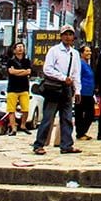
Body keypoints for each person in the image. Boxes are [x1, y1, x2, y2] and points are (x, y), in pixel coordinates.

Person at [33, 25, 82, 155]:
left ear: (73, 37)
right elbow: (47, 69)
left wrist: (77, 90)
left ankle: (66, 145)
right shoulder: (54, 51)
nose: (68, 37)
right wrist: (62, 77)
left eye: (70, 34)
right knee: (48, 117)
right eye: (65, 34)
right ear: (61, 36)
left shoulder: (74, 53)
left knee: (67, 118)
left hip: (67, 88)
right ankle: (39, 144)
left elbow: (76, 73)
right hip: (54, 87)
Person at [5, 42, 32, 136]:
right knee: (11, 110)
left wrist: (17, 72)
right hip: (12, 88)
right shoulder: (10, 61)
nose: (20, 48)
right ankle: (13, 128)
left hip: (24, 88)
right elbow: (11, 72)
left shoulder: (27, 61)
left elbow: (28, 72)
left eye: (22, 47)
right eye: (18, 47)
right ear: (14, 50)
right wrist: (23, 71)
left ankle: (23, 125)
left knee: (26, 109)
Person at [74, 45, 96, 140]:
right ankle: (80, 133)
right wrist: (76, 90)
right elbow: (77, 77)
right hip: (81, 92)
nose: (89, 53)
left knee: (90, 113)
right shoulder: (80, 64)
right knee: (80, 113)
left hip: (89, 93)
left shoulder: (88, 64)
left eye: (90, 51)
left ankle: (82, 132)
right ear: (81, 53)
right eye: (86, 51)